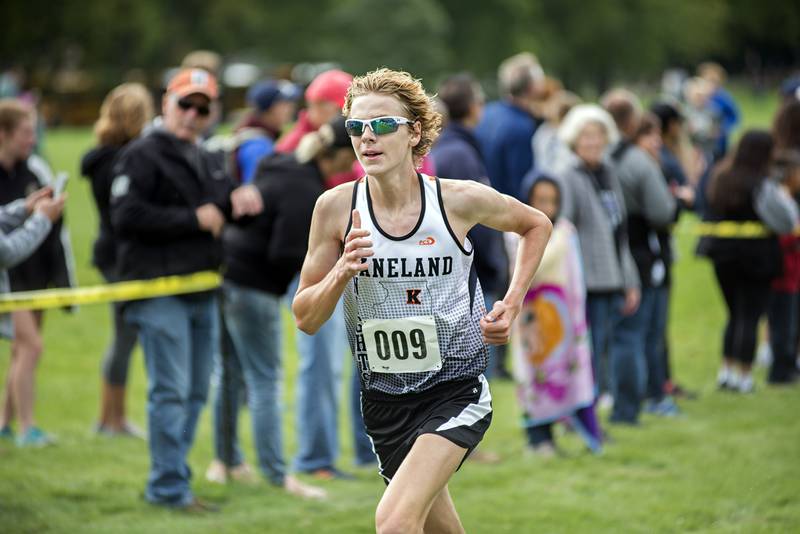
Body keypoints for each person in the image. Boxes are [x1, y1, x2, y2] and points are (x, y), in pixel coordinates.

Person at [293, 68, 552, 533]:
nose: (367, 138)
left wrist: (511, 304)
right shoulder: (334, 208)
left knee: (394, 522)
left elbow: (536, 224)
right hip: (384, 400)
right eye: (356, 127)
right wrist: (341, 271)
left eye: (383, 125)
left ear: (414, 132)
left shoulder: (456, 201)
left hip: (456, 390)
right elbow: (305, 318)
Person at [110, 68, 260, 511]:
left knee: (195, 392)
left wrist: (243, 202)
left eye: (202, 107)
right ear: (165, 104)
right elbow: (125, 215)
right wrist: (191, 220)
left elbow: (224, 206)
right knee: (171, 392)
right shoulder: (141, 153)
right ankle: (168, 488)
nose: (192, 115)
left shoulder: (208, 155)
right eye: (185, 104)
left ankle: (175, 481)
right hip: (158, 288)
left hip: (201, 288)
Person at [204, 117, 357, 498]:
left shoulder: (281, 163)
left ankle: (226, 462)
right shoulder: (305, 189)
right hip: (253, 287)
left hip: (226, 275)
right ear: (337, 156)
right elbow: (286, 251)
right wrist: (335, 263)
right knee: (265, 380)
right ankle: (277, 476)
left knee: (230, 373)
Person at [277, 68, 375, 476]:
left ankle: (366, 449)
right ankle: (316, 458)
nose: (315, 112)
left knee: (367, 361)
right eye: (314, 103)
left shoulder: (351, 143)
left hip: (354, 268)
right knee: (321, 364)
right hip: (312, 271)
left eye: (326, 105)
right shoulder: (301, 149)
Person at [556, 104, 641, 424]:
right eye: (586, 136)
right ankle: (579, 417)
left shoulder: (608, 173)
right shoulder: (568, 176)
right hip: (585, 281)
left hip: (613, 277)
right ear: (574, 140)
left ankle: (596, 413)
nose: (593, 142)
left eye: (598, 135)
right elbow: (564, 228)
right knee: (585, 353)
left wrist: (630, 279)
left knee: (604, 350)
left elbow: (620, 232)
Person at [0, 99, 74, 447]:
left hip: (35, 275)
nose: (33, 139)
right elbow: (6, 250)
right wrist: (41, 217)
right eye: (27, 132)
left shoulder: (35, 170)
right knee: (31, 347)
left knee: (22, 352)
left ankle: (5, 422)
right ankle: (28, 428)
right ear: (4, 134)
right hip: (10, 278)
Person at [510, 173, 601, 456]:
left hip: (560, 316)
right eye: (540, 200)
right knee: (535, 375)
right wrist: (555, 236)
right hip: (530, 319)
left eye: (553, 201)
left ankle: (564, 430)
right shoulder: (516, 232)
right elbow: (530, 267)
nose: (547, 207)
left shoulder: (564, 231)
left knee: (562, 373)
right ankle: (538, 439)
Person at [81, 82, 153, 438]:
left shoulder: (103, 156)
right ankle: (111, 419)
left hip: (111, 253)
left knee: (124, 336)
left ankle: (111, 417)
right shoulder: (120, 160)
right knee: (124, 337)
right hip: (119, 258)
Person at [703, 130, 799, 393]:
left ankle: (726, 370)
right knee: (750, 315)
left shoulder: (720, 177)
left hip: (722, 255)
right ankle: (744, 375)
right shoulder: (762, 184)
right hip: (757, 258)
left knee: (733, 314)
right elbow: (786, 220)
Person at [603, 90, 679, 419]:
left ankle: (615, 396)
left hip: (609, 253)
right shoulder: (637, 161)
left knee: (617, 334)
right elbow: (662, 211)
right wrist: (680, 201)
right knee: (642, 332)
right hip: (643, 253)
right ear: (633, 121)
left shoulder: (598, 158)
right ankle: (645, 399)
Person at [431, 73, 507, 382]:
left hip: (466, 278)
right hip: (471, 280)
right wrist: (493, 266)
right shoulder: (460, 154)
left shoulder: (455, 149)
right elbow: (480, 223)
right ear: (473, 107)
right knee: (470, 380)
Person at [476, 52, 545, 199]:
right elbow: (521, 185)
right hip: (505, 211)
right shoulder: (521, 127)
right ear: (532, 87)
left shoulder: (486, 113)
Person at [767, 149, 800, 384]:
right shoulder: (779, 198)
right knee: (782, 324)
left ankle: (788, 366)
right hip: (783, 272)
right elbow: (784, 236)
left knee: (791, 322)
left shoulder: (789, 197)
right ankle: (780, 370)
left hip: (793, 272)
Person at [229, 79, 300, 183]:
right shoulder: (258, 146)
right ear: (269, 108)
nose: (290, 108)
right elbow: (256, 191)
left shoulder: (258, 136)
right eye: (284, 103)